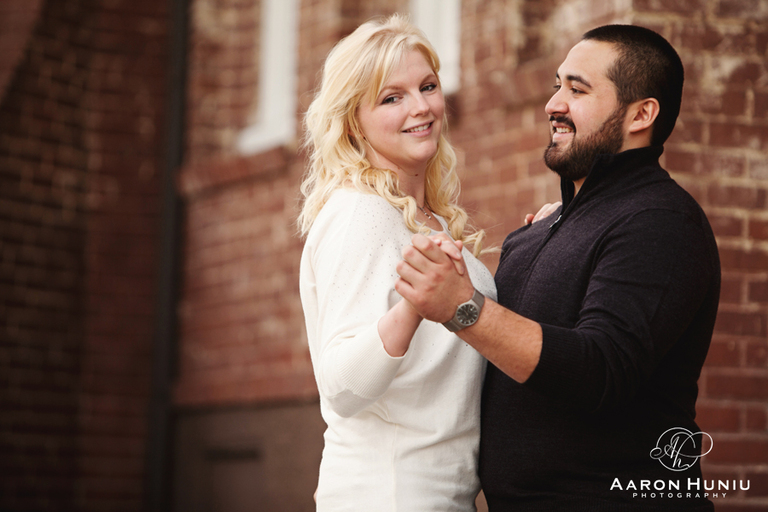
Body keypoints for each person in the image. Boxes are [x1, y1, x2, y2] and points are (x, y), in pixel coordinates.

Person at [396, 25, 720, 511]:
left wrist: (464, 307)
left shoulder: (660, 220)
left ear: (641, 115)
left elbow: (602, 368)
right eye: (556, 85)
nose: (553, 104)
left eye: (577, 89)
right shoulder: (545, 228)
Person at [297, 14, 498, 511]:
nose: (422, 107)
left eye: (428, 86)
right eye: (393, 97)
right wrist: (413, 306)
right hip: (389, 494)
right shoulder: (359, 214)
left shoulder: (422, 220)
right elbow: (341, 386)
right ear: (352, 122)